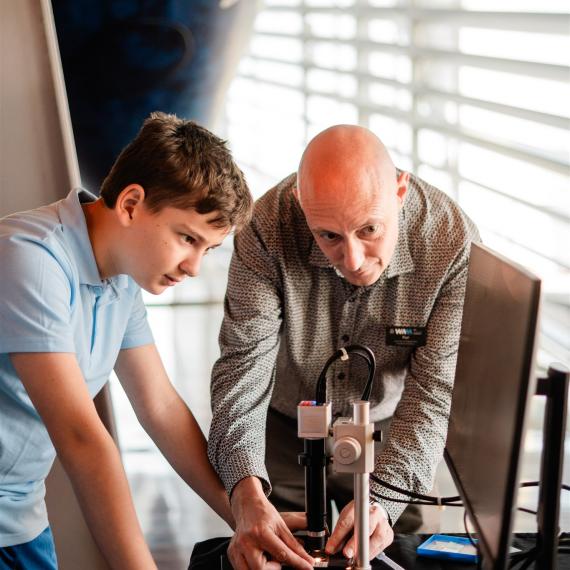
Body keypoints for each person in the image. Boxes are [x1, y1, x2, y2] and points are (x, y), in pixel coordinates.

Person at [208, 124, 480, 569]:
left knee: (393, 551)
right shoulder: (266, 226)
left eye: (369, 230)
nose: (352, 260)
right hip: (284, 426)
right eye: (328, 236)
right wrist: (245, 490)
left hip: (392, 431)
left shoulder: (452, 243)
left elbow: (433, 392)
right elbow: (242, 365)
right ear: (300, 203)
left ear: (399, 190)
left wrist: (385, 501)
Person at [0, 112, 253, 569]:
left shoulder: (119, 281)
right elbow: (81, 437)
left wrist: (245, 515)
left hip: (19, 521)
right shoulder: (29, 259)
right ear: (132, 203)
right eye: (186, 238)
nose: (194, 267)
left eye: (208, 250)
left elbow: (159, 406)